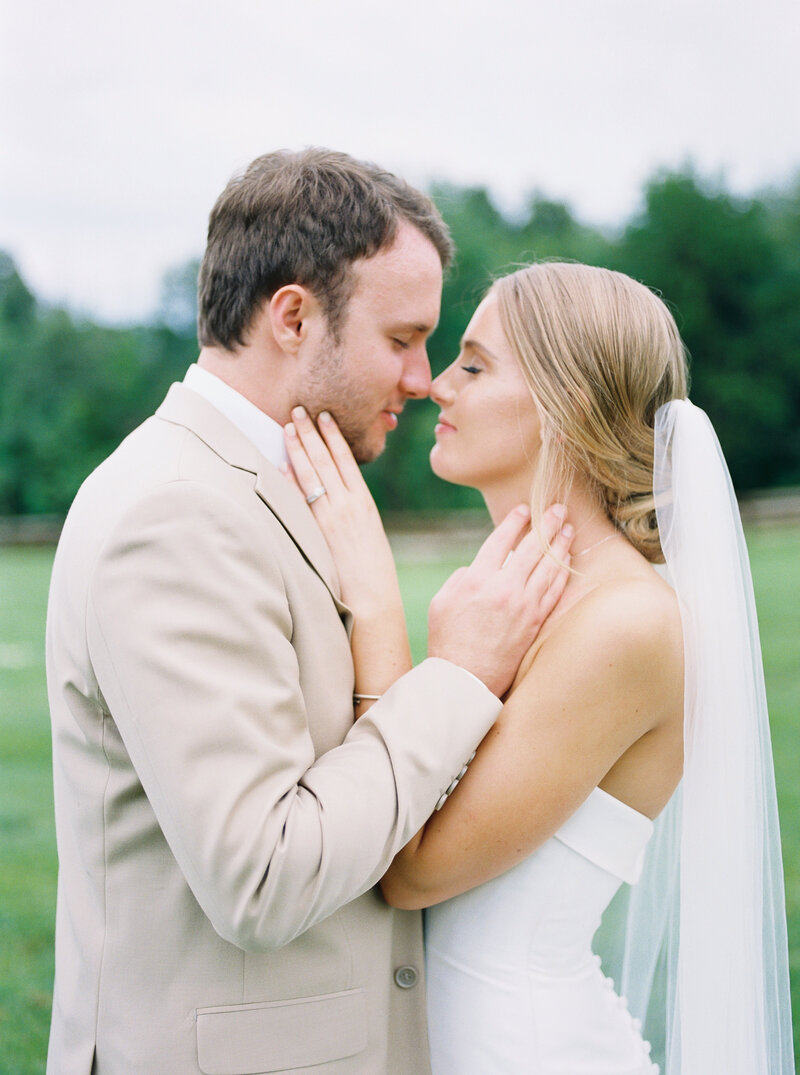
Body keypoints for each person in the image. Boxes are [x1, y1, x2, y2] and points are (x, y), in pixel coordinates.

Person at [44, 151, 574, 1075]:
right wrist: (456, 677)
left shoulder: (285, 483)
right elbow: (262, 877)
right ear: (292, 315)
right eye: (403, 338)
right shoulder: (174, 513)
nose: (424, 378)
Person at [285, 261, 795, 1074]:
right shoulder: (527, 593)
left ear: (567, 405)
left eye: (475, 365)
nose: (436, 386)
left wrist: (376, 603)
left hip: (518, 1047)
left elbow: (412, 868)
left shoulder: (627, 622)